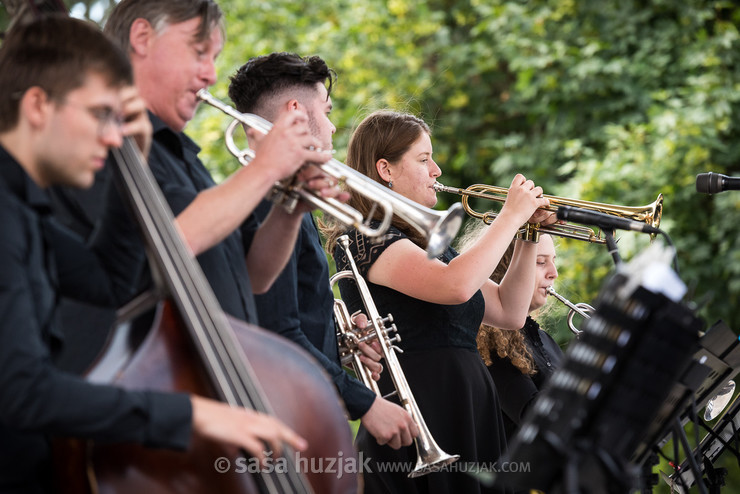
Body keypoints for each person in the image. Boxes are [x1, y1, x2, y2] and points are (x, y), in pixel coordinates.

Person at [0, 15, 305, 494]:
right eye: (99, 114)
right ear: (38, 105)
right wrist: (190, 412)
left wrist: (134, 165)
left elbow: (109, 283)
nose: (110, 136)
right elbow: (20, 391)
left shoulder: (25, 209)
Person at [50, 0, 341, 372]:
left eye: (214, 57)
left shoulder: (183, 155)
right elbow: (168, 246)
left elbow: (254, 278)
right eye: (199, 51)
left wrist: (291, 207)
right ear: (142, 37)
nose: (211, 75)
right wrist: (265, 168)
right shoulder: (100, 142)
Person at [322, 109, 555, 493]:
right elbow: (456, 286)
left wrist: (527, 234)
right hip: (423, 407)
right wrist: (510, 216)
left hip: (466, 403)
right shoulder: (368, 238)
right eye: (424, 158)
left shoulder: (430, 246)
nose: (437, 170)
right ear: (386, 169)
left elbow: (510, 312)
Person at [227, 52, 419, 450]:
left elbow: (293, 313)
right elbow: (276, 330)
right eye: (326, 110)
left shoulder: (283, 193)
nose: (331, 126)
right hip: (287, 416)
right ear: (295, 111)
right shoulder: (271, 197)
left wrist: (340, 343)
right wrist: (365, 402)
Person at [463, 230, 566, 442]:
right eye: (540, 262)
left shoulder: (542, 337)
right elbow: (534, 416)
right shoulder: (492, 345)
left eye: (553, 261)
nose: (553, 273)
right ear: (506, 269)